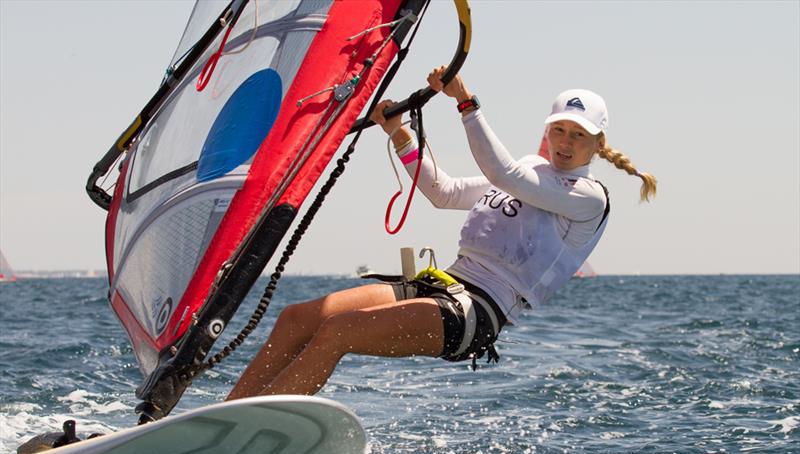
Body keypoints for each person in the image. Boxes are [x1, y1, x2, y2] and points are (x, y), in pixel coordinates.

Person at [226, 67, 657, 400]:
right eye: (559, 130)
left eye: (579, 135)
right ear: (547, 131)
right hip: (443, 284)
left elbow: (502, 173)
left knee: (339, 332)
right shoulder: (528, 170)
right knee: (299, 317)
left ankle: (248, 434)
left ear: (597, 145)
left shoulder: (589, 198)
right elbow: (443, 192)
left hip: (477, 313)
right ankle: (223, 420)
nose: (566, 141)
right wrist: (398, 133)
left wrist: (466, 103)